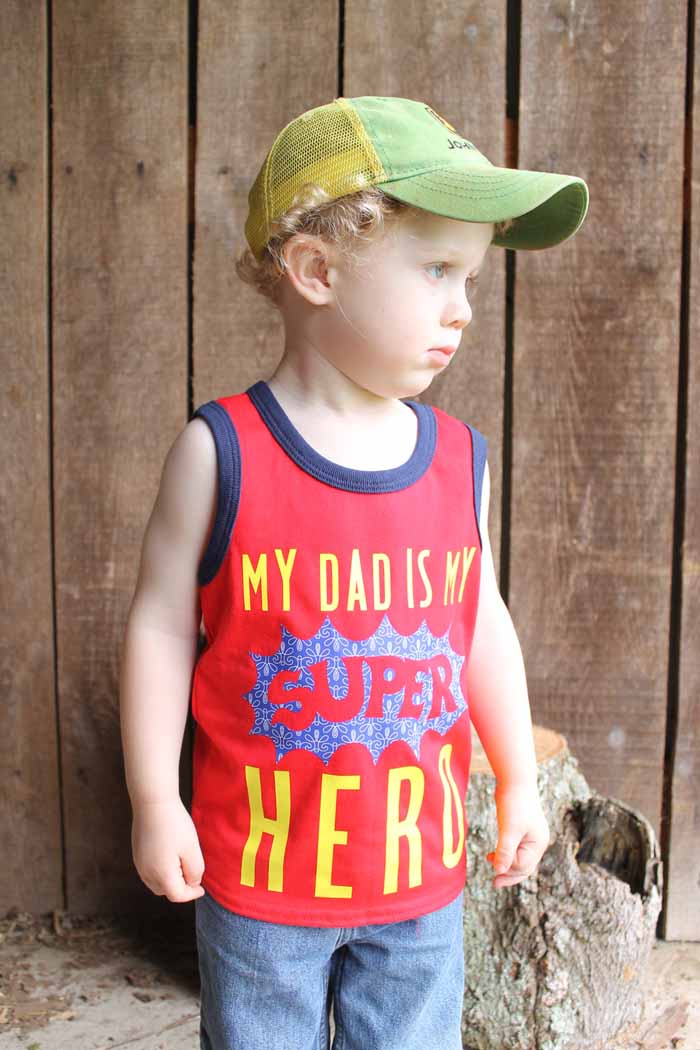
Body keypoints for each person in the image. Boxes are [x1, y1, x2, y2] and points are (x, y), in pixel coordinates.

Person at [120, 96, 589, 1050]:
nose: (462, 306)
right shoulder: (223, 452)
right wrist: (153, 799)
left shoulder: (460, 461)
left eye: (471, 274)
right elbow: (162, 626)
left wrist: (516, 781)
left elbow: (479, 620)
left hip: (417, 887)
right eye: (436, 269)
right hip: (259, 884)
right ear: (318, 270)